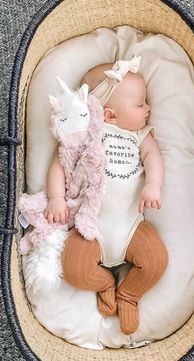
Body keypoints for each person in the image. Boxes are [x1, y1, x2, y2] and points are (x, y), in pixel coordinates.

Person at [44, 56, 168, 335]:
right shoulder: (86, 134)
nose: (148, 109)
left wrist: (153, 185)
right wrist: (56, 198)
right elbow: (59, 162)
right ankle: (103, 283)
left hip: (131, 226)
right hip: (91, 228)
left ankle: (129, 294)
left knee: (156, 261)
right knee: (74, 269)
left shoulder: (140, 135)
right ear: (110, 115)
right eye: (140, 104)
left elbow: (153, 156)